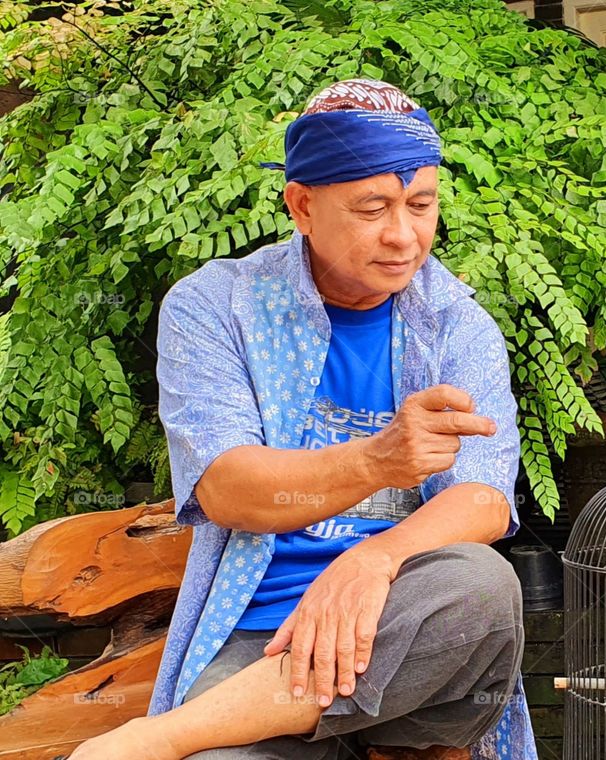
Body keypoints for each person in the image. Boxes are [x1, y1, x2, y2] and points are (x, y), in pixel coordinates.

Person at [62, 79, 538, 760]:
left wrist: (373, 561)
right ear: (302, 205)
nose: (403, 235)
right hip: (264, 638)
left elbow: (485, 500)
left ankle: (158, 741)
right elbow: (226, 488)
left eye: (421, 205)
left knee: (481, 582)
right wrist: (378, 460)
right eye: (373, 207)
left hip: (407, 622)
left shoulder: (457, 324)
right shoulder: (216, 307)